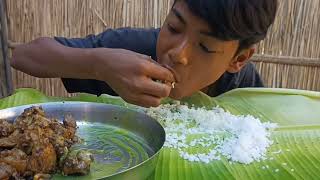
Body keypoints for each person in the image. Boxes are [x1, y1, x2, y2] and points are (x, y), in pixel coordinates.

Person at [11, 0, 277, 107]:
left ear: (238, 59)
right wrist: (97, 65)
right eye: (174, 27)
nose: (177, 53)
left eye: (205, 47)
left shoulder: (244, 89)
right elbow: (23, 55)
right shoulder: (130, 48)